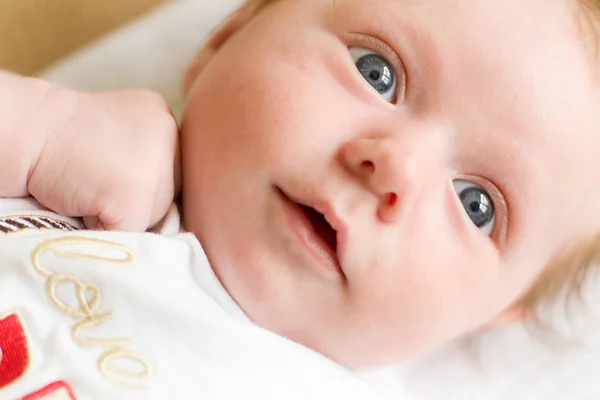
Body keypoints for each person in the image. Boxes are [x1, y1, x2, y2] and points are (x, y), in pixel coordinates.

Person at [1, 0, 600, 397]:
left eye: (478, 206)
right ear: (226, 37)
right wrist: (40, 129)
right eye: (377, 70)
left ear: (496, 312)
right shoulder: (70, 150)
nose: (395, 167)